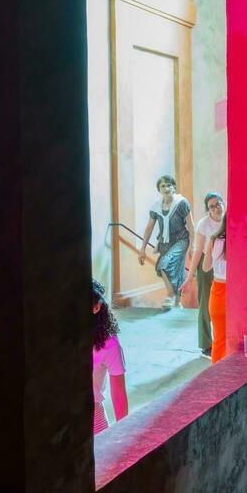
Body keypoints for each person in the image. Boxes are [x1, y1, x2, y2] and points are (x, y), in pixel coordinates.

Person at [137, 173, 191, 309]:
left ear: (174, 187)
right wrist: (142, 249)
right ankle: (178, 302)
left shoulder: (182, 203)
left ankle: (170, 295)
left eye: (169, 185)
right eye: (163, 186)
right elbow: (149, 228)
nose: (166, 188)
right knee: (177, 271)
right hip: (164, 243)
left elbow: (191, 226)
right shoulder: (156, 207)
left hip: (181, 240)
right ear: (159, 189)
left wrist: (194, 246)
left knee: (164, 264)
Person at [190, 192, 225, 358]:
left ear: (223, 203)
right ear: (208, 210)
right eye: (212, 206)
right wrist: (190, 274)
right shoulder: (204, 224)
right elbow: (198, 250)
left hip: (225, 262)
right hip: (207, 261)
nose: (216, 208)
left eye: (218, 204)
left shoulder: (230, 218)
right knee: (206, 303)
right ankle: (206, 344)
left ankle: (225, 341)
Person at [91, 282, 128, 434]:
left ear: (96, 307)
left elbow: (118, 395)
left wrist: (123, 434)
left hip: (93, 414)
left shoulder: (109, 345)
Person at [208, 213, 229, 363]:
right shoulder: (237, 239)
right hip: (233, 293)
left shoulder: (214, 239)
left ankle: (216, 376)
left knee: (219, 339)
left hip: (216, 291)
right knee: (234, 340)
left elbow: (205, 267)